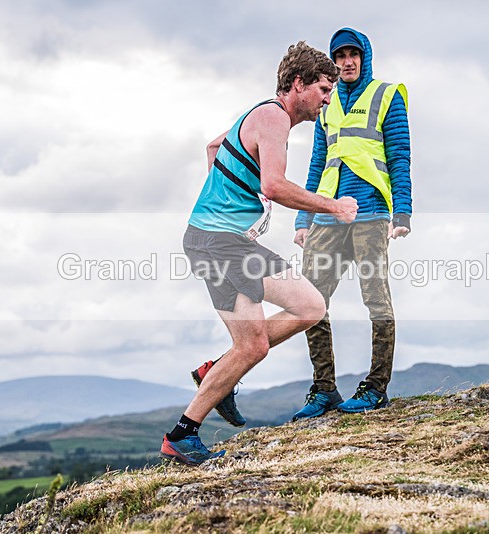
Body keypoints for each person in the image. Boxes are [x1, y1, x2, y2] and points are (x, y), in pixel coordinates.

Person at [161, 42, 358, 466]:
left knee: (251, 346)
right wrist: (334, 205)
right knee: (309, 306)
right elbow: (274, 185)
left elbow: (215, 147)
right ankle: (208, 387)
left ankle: (191, 418)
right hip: (222, 242)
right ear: (298, 84)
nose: (328, 98)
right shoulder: (273, 117)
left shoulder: (259, 113)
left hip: (209, 238)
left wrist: (224, 196)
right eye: (324, 89)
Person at [291, 28, 412, 420]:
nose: (346, 61)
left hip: (372, 213)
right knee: (310, 301)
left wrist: (403, 212)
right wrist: (303, 217)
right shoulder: (325, 104)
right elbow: (316, 163)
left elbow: (399, 156)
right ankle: (324, 388)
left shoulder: (387, 96)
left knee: (376, 299)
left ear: (365, 57)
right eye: (340, 55)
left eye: (353, 54)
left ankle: (376, 387)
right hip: (327, 215)